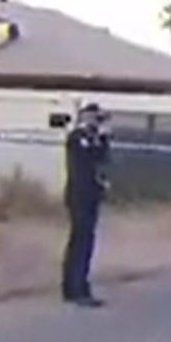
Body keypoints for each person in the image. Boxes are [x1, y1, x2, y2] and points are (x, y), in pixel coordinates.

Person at [62, 103, 111, 308]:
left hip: (91, 195)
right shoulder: (76, 138)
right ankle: (74, 285)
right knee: (79, 241)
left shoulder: (93, 139)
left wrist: (104, 138)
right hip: (79, 195)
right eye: (94, 118)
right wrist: (95, 139)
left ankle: (79, 284)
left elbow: (103, 159)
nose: (96, 122)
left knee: (86, 240)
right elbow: (85, 159)